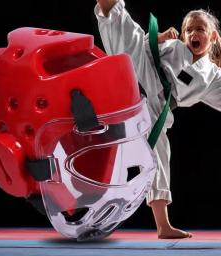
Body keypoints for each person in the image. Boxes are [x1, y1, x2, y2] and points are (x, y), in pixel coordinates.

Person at [95, 0, 221, 239]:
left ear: (213, 36)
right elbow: (144, 47)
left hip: (156, 106)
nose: (193, 34)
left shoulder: (213, 77)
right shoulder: (174, 47)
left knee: (159, 155)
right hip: (142, 73)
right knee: (129, 32)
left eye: (200, 30)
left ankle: (163, 226)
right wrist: (158, 39)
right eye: (189, 30)